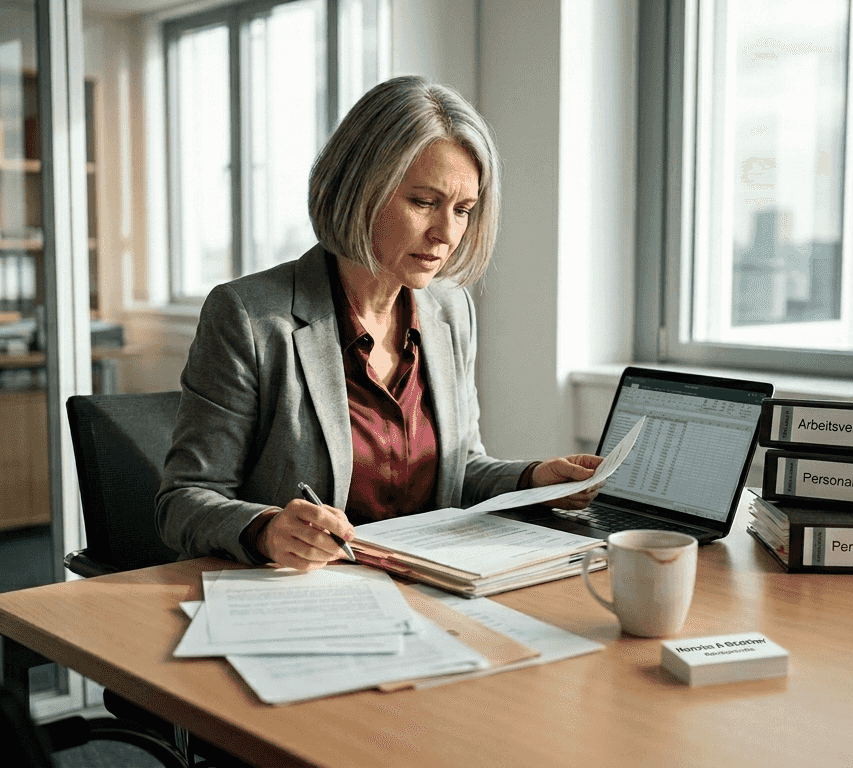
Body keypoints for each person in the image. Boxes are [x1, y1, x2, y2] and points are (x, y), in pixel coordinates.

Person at [157, 75, 602, 570]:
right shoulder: (249, 317)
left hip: (431, 589)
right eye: (424, 203)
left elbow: (459, 470)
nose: (447, 234)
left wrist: (533, 480)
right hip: (307, 600)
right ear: (359, 186)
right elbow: (184, 501)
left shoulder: (451, 311)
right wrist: (265, 529)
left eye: (464, 210)